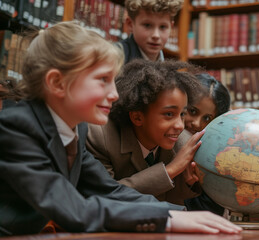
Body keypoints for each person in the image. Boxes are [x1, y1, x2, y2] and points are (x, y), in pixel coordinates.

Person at [0, 21, 241, 236]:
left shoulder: (75, 130)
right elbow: (74, 207)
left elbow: (110, 191)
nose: (114, 94)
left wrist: (178, 213)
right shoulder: (16, 127)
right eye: (103, 80)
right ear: (57, 83)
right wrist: (165, 219)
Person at [86, 59, 206, 206]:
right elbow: (105, 197)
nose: (180, 126)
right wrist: (170, 170)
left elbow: (169, 200)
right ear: (137, 117)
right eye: (169, 114)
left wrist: (187, 182)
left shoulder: (183, 143)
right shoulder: (100, 137)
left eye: (182, 114)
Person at [175, 73, 231, 216]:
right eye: (192, 111)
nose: (197, 123)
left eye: (207, 118)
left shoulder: (215, 152)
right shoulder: (164, 142)